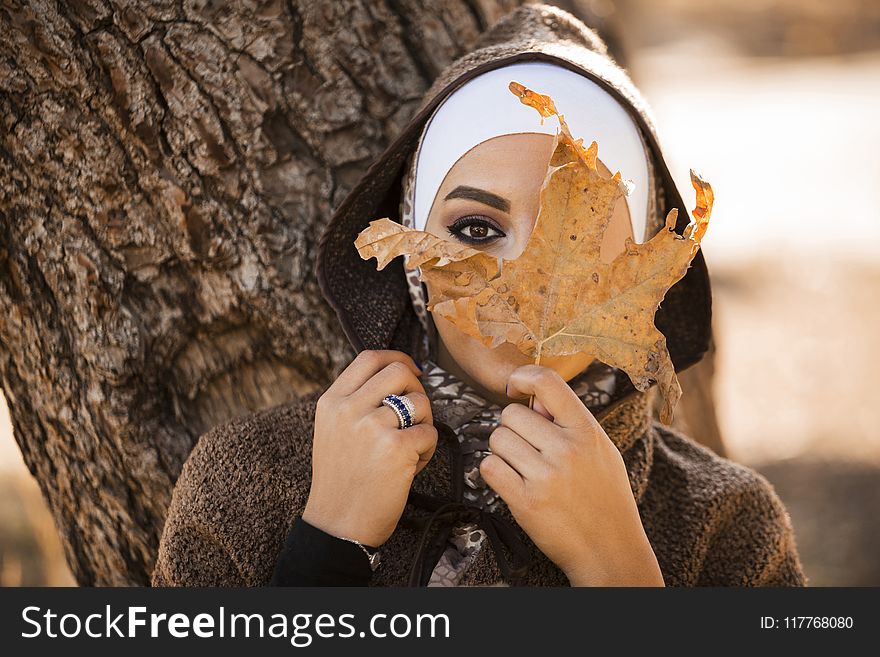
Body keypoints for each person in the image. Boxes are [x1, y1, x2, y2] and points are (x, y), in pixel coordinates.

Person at [151, 4, 806, 587]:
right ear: (412, 253)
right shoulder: (249, 480)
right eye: (476, 229)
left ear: (643, 278)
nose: (525, 290)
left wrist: (619, 573)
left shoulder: (724, 521)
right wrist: (327, 546)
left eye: (581, 240)